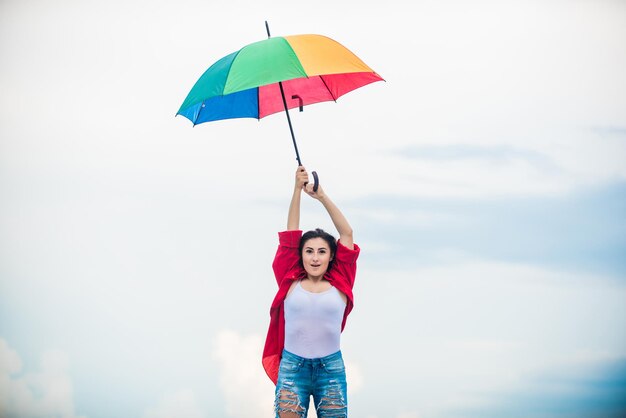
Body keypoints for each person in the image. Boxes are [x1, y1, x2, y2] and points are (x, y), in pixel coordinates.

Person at [262, 166, 360, 417]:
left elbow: (346, 233)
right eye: (309, 251)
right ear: (301, 255)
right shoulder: (290, 279)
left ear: (331, 257)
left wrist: (321, 196)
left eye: (322, 251)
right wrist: (296, 189)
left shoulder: (341, 280)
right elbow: (290, 234)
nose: (315, 258)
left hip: (331, 369)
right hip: (293, 368)